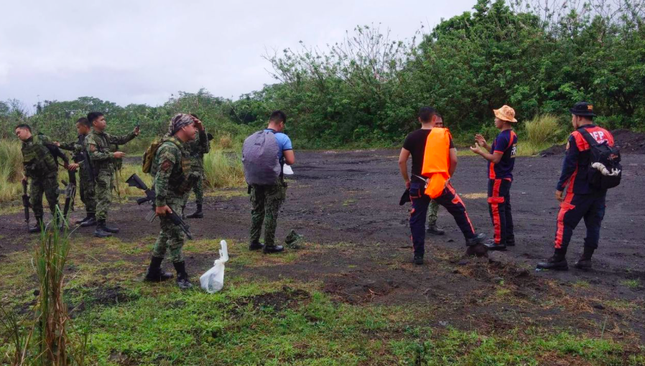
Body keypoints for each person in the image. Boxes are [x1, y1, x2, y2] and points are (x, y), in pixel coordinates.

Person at [399, 107, 486, 265]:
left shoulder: (411, 137)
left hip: (417, 182)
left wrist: (407, 179)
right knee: (457, 208)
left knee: (417, 219)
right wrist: (447, 177)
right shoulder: (443, 135)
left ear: (419, 119)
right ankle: (470, 237)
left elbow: (401, 160)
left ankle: (418, 254)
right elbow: (454, 160)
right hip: (438, 182)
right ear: (434, 119)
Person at [537, 102, 615, 271]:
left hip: (579, 189)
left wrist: (560, 187)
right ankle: (586, 259)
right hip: (600, 187)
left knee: (564, 220)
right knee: (594, 224)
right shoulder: (606, 134)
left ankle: (558, 258)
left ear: (578, 118)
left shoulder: (576, 137)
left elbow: (569, 165)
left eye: (573, 116)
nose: (572, 119)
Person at [144, 113, 201, 289]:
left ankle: (153, 272)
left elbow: (203, 146)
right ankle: (182, 276)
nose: (195, 130)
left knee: (165, 234)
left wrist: (201, 128)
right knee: (176, 235)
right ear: (183, 128)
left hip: (174, 197)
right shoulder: (170, 149)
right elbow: (161, 178)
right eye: (192, 126)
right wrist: (160, 203)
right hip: (167, 198)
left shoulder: (180, 146)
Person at [246, 110, 295, 254]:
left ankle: (254, 242)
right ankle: (269, 244)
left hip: (255, 180)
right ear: (281, 124)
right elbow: (291, 160)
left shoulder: (253, 137)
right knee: (271, 212)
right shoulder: (282, 138)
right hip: (273, 180)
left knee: (257, 210)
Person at [470, 105, 518, 250]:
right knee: (505, 207)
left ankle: (499, 241)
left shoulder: (503, 137)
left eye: (497, 117)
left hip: (498, 177)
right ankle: (508, 237)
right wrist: (485, 145)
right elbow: (499, 154)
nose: (495, 120)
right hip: (505, 176)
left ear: (503, 120)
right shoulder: (511, 135)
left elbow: (496, 159)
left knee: (496, 208)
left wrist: (480, 152)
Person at [85, 112, 139, 238]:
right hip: (100, 173)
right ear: (95, 123)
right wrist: (112, 155)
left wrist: (133, 134)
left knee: (107, 198)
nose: (105, 122)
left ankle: (103, 224)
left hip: (108, 171)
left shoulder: (105, 136)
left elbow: (120, 140)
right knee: (103, 198)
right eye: (102, 120)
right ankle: (99, 227)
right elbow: (93, 155)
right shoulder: (91, 138)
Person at [15, 124, 77, 232]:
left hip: (49, 175)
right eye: (16, 134)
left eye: (19, 132)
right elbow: (27, 163)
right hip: (36, 178)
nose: (18, 135)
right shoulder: (24, 147)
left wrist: (66, 161)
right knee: (35, 200)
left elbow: (56, 150)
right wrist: (26, 176)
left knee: (52, 199)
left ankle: (57, 222)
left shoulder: (41, 139)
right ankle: (40, 224)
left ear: (26, 130)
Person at [57, 117, 97, 227]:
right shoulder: (81, 138)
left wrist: (78, 164)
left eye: (78, 127)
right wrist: (59, 145)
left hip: (91, 170)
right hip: (83, 170)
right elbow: (74, 146)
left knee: (90, 193)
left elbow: (91, 157)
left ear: (85, 126)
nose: (77, 130)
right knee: (84, 194)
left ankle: (94, 217)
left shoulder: (92, 138)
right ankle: (89, 215)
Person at [182, 114, 210, 219]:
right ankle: (199, 210)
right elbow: (206, 149)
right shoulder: (199, 133)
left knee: (186, 189)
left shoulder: (191, 134)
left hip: (189, 165)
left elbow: (205, 149)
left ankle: (181, 210)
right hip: (196, 164)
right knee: (197, 189)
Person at [426, 115, 445, 236]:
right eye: (436, 123)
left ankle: (431, 223)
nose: (439, 126)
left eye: (441, 124)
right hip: (425, 175)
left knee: (434, 200)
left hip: (439, 175)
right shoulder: (426, 137)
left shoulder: (444, 137)